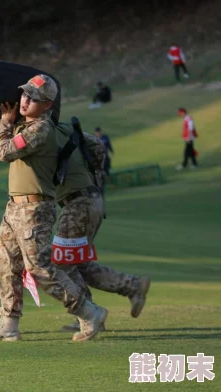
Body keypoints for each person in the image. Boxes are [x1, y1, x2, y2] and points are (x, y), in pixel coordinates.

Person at [0, 74, 108, 343]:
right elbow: (4, 141)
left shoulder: (41, 129)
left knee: (40, 269)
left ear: (48, 105)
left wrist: (3, 125)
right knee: (4, 266)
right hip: (13, 206)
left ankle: (88, 312)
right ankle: (9, 323)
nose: (25, 101)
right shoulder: (22, 126)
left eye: (34, 98)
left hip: (35, 208)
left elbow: (4, 152)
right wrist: (2, 126)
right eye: (24, 94)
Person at [53, 122, 151, 332]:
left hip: (76, 205)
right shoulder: (68, 131)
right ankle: (132, 286)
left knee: (62, 264)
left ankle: (90, 314)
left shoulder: (45, 131)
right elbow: (97, 145)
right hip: (91, 199)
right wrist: (94, 169)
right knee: (78, 264)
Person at [94, 126, 114, 194]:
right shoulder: (94, 139)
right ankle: (101, 188)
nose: (98, 133)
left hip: (106, 158)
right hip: (98, 159)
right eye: (97, 132)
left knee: (106, 172)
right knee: (100, 173)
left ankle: (108, 185)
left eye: (99, 132)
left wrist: (111, 152)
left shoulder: (105, 138)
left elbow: (109, 146)